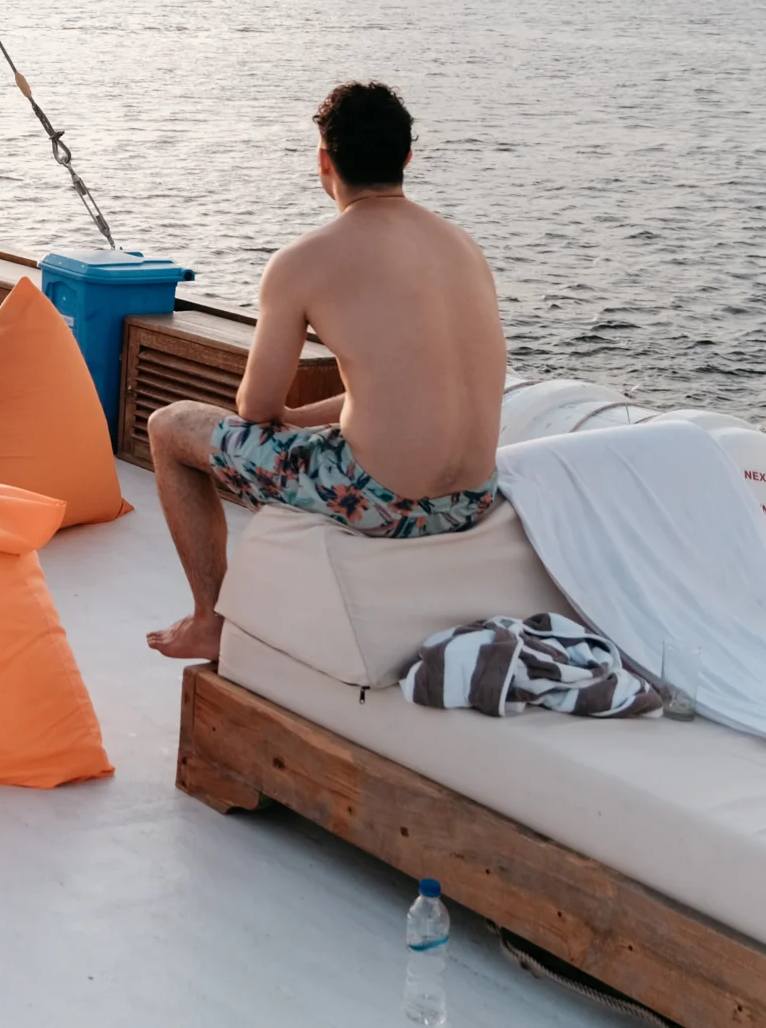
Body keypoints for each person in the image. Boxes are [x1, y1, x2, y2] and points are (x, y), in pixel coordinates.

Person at [145, 82, 506, 663]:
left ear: (324, 160)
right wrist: (301, 419)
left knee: (171, 425)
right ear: (407, 156)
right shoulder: (463, 246)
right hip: (474, 498)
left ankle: (209, 619)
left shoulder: (303, 262)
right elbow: (399, 389)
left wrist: (284, 418)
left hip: (385, 502)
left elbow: (255, 410)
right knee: (321, 435)